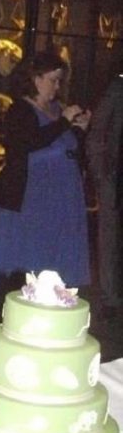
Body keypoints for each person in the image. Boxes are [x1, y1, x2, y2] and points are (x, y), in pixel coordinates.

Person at [0, 51, 91, 309]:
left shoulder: (58, 110)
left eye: (59, 81)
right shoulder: (20, 110)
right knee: (31, 261)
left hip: (63, 198)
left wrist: (79, 130)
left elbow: (66, 149)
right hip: (33, 201)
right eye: (53, 80)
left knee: (59, 264)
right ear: (36, 80)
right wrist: (64, 123)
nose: (57, 87)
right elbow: (28, 143)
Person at [86, 62, 123, 315]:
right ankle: (110, 298)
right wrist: (101, 174)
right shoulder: (117, 89)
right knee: (109, 237)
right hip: (115, 176)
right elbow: (97, 132)